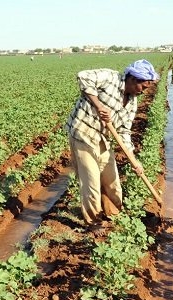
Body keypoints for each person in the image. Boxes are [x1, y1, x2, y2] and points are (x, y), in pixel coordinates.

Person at [65, 59, 159, 234]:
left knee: (112, 180)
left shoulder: (132, 103)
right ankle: (93, 223)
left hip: (104, 138)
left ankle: (113, 214)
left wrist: (133, 159)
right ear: (132, 79)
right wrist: (99, 105)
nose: (144, 91)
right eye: (143, 87)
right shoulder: (110, 78)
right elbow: (83, 76)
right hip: (83, 134)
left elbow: (124, 131)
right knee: (91, 181)